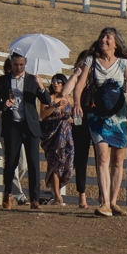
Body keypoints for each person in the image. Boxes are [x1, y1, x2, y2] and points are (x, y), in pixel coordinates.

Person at [0, 52, 49, 209]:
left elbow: (47, 101)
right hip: (12, 126)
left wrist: (41, 87)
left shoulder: (32, 80)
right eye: (15, 64)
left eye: (21, 65)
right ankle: (8, 195)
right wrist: (3, 104)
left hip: (30, 126)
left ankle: (35, 199)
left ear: (26, 63)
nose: (18, 67)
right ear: (11, 63)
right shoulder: (3, 81)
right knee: (11, 163)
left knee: (33, 164)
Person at [84, 28, 127, 217]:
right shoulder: (92, 61)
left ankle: (113, 202)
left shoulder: (124, 63)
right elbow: (80, 84)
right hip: (98, 115)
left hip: (119, 116)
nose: (103, 39)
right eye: (102, 36)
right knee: (103, 157)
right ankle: (104, 202)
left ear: (116, 43)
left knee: (118, 161)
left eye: (108, 37)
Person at [42, 67, 88, 208]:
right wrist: (55, 105)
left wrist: (74, 120)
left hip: (67, 136)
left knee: (66, 164)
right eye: (53, 81)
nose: (55, 84)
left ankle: (59, 192)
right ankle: (57, 195)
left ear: (64, 83)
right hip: (52, 135)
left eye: (59, 81)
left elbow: (78, 115)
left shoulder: (70, 99)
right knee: (54, 164)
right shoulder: (48, 98)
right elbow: (42, 115)